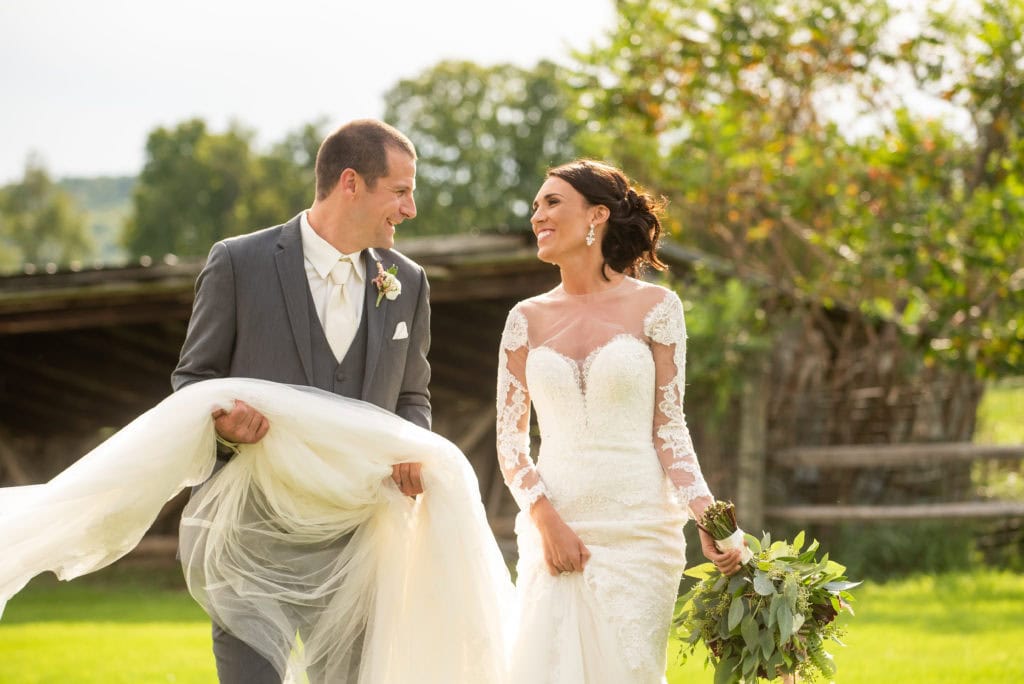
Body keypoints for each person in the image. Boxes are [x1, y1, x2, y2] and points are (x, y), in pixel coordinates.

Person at [172, 119, 432, 683]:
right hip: (250, 530)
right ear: (350, 183)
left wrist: (414, 444)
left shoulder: (406, 281)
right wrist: (223, 427)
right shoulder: (239, 262)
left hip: (355, 537)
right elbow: (193, 380)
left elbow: (413, 394)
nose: (411, 208)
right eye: (401, 190)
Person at [496, 159, 744, 683]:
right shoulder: (524, 319)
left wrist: (710, 516)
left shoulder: (658, 307)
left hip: (639, 532)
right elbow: (510, 444)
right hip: (554, 528)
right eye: (536, 204)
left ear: (598, 215)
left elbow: (670, 429)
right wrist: (546, 521)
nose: (537, 214)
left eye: (553, 202)